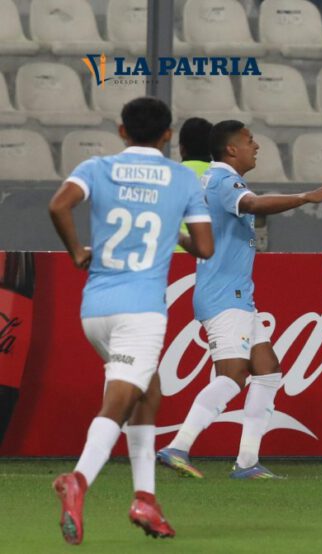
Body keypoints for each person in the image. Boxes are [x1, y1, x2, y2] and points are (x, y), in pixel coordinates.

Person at [48, 97, 215, 544]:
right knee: (120, 401)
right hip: (140, 311)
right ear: (167, 135)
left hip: (95, 309)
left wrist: (77, 251)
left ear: (122, 131)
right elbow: (204, 247)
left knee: (147, 393)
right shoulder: (181, 178)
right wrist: (169, 228)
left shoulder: (97, 167)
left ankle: (147, 498)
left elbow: (58, 206)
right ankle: (78, 480)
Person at [157, 121, 322, 479]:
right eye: (249, 141)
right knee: (232, 377)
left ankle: (246, 462)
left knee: (268, 372)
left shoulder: (214, 179)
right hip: (224, 295)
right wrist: (307, 197)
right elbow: (254, 204)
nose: (256, 146)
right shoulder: (224, 181)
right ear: (231, 150)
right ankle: (178, 446)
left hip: (235, 294)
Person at [174, 117, 213, 253]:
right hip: (213, 258)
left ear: (181, 148)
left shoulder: (170, 176)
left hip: (173, 257)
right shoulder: (226, 177)